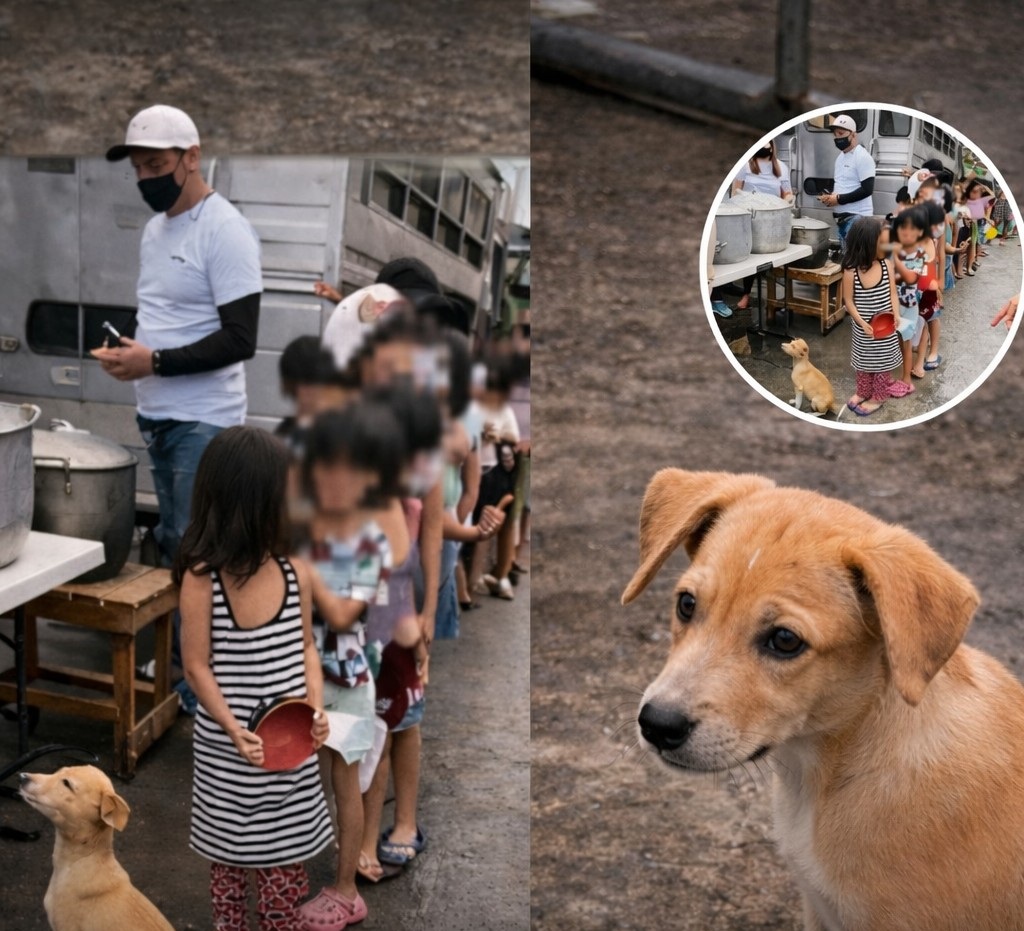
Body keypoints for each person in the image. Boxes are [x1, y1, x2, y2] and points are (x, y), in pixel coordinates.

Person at [95, 105, 263, 713]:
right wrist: (129, 355)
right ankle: (178, 669)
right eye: (138, 167)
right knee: (173, 544)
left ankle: (202, 691)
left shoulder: (225, 229)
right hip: (159, 414)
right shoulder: (155, 230)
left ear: (193, 157)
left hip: (203, 421)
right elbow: (162, 317)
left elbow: (240, 337)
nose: (146, 177)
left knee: (198, 556)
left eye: (157, 164)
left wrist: (156, 363)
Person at [174, 427, 332, 931]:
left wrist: (316, 706)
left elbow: (307, 645)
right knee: (229, 880)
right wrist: (230, 727)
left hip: (291, 752)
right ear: (252, 502)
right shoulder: (202, 580)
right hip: (230, 754)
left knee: (283, 886)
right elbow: (196, 665)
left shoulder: (295, 570)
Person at [296, 401, 408, 926]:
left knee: (346, 786)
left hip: (349, 685)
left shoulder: (368, 544)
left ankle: (345, 891)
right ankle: (292, 877)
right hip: (303, 677)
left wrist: (304, 570)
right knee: (296, 782)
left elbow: (342, 614)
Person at [841, 217, 903, 416]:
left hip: (885, 326)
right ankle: (863, 391)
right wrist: (861, 323)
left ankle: (878, 396)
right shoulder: (851, 271)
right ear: (867, 244)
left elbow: (893, 293)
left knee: (883, 362)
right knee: (864, 361)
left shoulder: (886, 265)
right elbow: (848, 301)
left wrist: (896, 313)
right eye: (881, 241)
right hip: (863, 328)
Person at [727, 138, 793, 312]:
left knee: (775, 258)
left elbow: (787, 193)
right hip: (750, 216)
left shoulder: (780, 167)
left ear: (772, 146)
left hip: (773, 218)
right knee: (751, 258)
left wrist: (788, 200)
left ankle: (781, 300)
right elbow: (735, 192)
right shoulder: (745, 165)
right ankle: (746, 295)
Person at [817, 114, 876, 246]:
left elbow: (867, 189)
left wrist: (838, 199)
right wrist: (829, 195)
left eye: (841, 133)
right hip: (842, 217)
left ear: (853, 135)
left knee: (856, 260)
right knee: (848, 258)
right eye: (835, 134)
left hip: (857, 218)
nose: (837, 137)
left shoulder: (862, 156)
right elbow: (843, 184)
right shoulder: (840, 157)